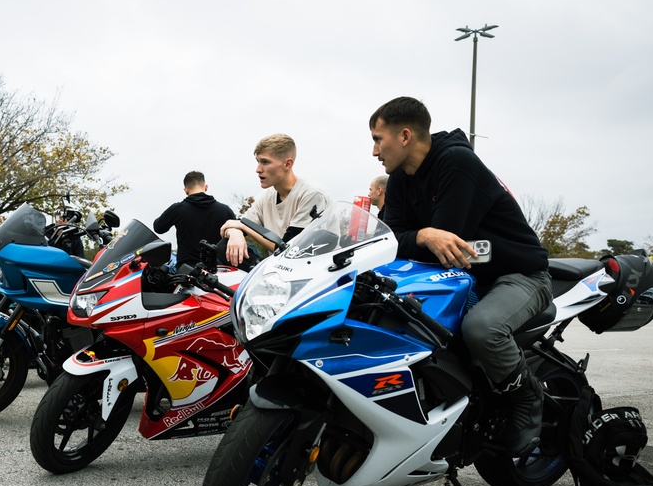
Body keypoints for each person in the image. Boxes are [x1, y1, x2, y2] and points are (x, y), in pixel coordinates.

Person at [369, 96, 552, 456]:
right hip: (458, 277)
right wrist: (421, 235)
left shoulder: (457, 163)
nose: (374, 151)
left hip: (517, 275)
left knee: (481, 328)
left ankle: (527, 400)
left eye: (378, 139)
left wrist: (422, 237)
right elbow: (393, 240)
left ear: (404, 136)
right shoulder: (403, 178)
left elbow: (447, 243)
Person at [220, 134, 331, 266]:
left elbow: (289, 250)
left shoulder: (311, 193)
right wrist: (235, 232)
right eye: (258, 161)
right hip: (281, 267)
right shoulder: (266, 197)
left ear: (287, 164)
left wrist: (241, 226)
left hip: (313, 269)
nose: (258, 169)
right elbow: (235, 225)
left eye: (265, 162)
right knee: (224, 246)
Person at [153, 171, 236, 267]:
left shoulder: (177, 209)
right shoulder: (225, 210)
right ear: (206, 187)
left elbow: (158, 227)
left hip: (186, 273)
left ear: (186, 190)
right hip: (218, 271)